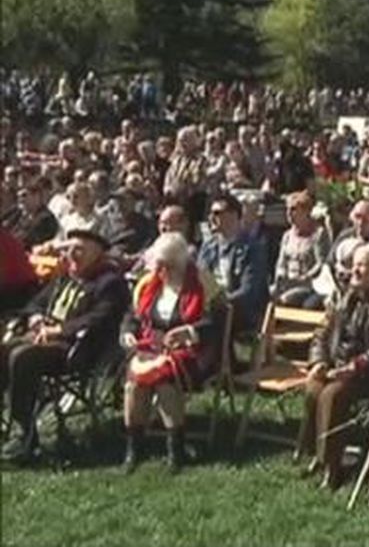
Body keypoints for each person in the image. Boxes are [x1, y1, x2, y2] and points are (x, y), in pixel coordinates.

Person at [0, 229, 129, 463]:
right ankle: (9, 423)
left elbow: (100, 318)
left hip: (79, 348)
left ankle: (26, 435)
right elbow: (36, 303)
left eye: (79, 249)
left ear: (97, 253)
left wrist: (58, 330)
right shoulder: (66, 277)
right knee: (3, 351)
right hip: (44, 337)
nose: (72, 254)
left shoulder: (110, 283)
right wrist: (36, 318)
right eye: (69, 249)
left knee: (21, 356)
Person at [298, 244, 369, 490]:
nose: (354, 271)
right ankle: (315, 454)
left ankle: (332, 468)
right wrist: (318, 361)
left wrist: (355, 366)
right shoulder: (345, 295)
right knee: (314, 388)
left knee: (332, 395)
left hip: (368, 374)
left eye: (362, 266)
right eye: (354, 264)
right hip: (336, 365)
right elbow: (322, 333)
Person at [120, 232, 222, 473]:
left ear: (180, 263)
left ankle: (175, 449)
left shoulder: (202, 283)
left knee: (166, 381)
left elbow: (219, 320)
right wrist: (127, 333)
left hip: (193, 352)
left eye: (168, 266)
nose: (163, 271)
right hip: (152, 348)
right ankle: (134, 447)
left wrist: (189, 331)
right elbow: (132, 317)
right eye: (159, 265)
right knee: (134, 384)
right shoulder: (149, 284)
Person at [197, 194, 268, 336]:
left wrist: (221, 303)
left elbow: (249, 291)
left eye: (217, 213)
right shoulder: (208, 246)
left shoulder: (252, 248)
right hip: (211, 307)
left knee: (211, 320)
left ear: (234, 215)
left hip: (242, 312)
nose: (211, 217)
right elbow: (200, 279)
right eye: (210, 213)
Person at [273, 191, 331, 310]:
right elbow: (281, 262)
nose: (289, 213)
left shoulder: (318, 234)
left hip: (309, 285)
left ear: (306, 211)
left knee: (285, 300)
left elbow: (321, 263)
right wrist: (281, 274)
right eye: (287, 209)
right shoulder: (287, 236)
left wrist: (305, 277)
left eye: (293, 209)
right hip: (287, 282)